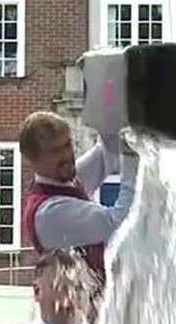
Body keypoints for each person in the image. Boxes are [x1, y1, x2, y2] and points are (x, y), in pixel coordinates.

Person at [19, 112, 134, 285]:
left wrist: (111, 110)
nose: (67, 155)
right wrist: (131, 154)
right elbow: (119, 223)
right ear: (34, 160)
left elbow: (105, 154)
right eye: (55, 151)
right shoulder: (48, 213)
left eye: (67, 145)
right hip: (88, 308)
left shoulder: (62, 180)